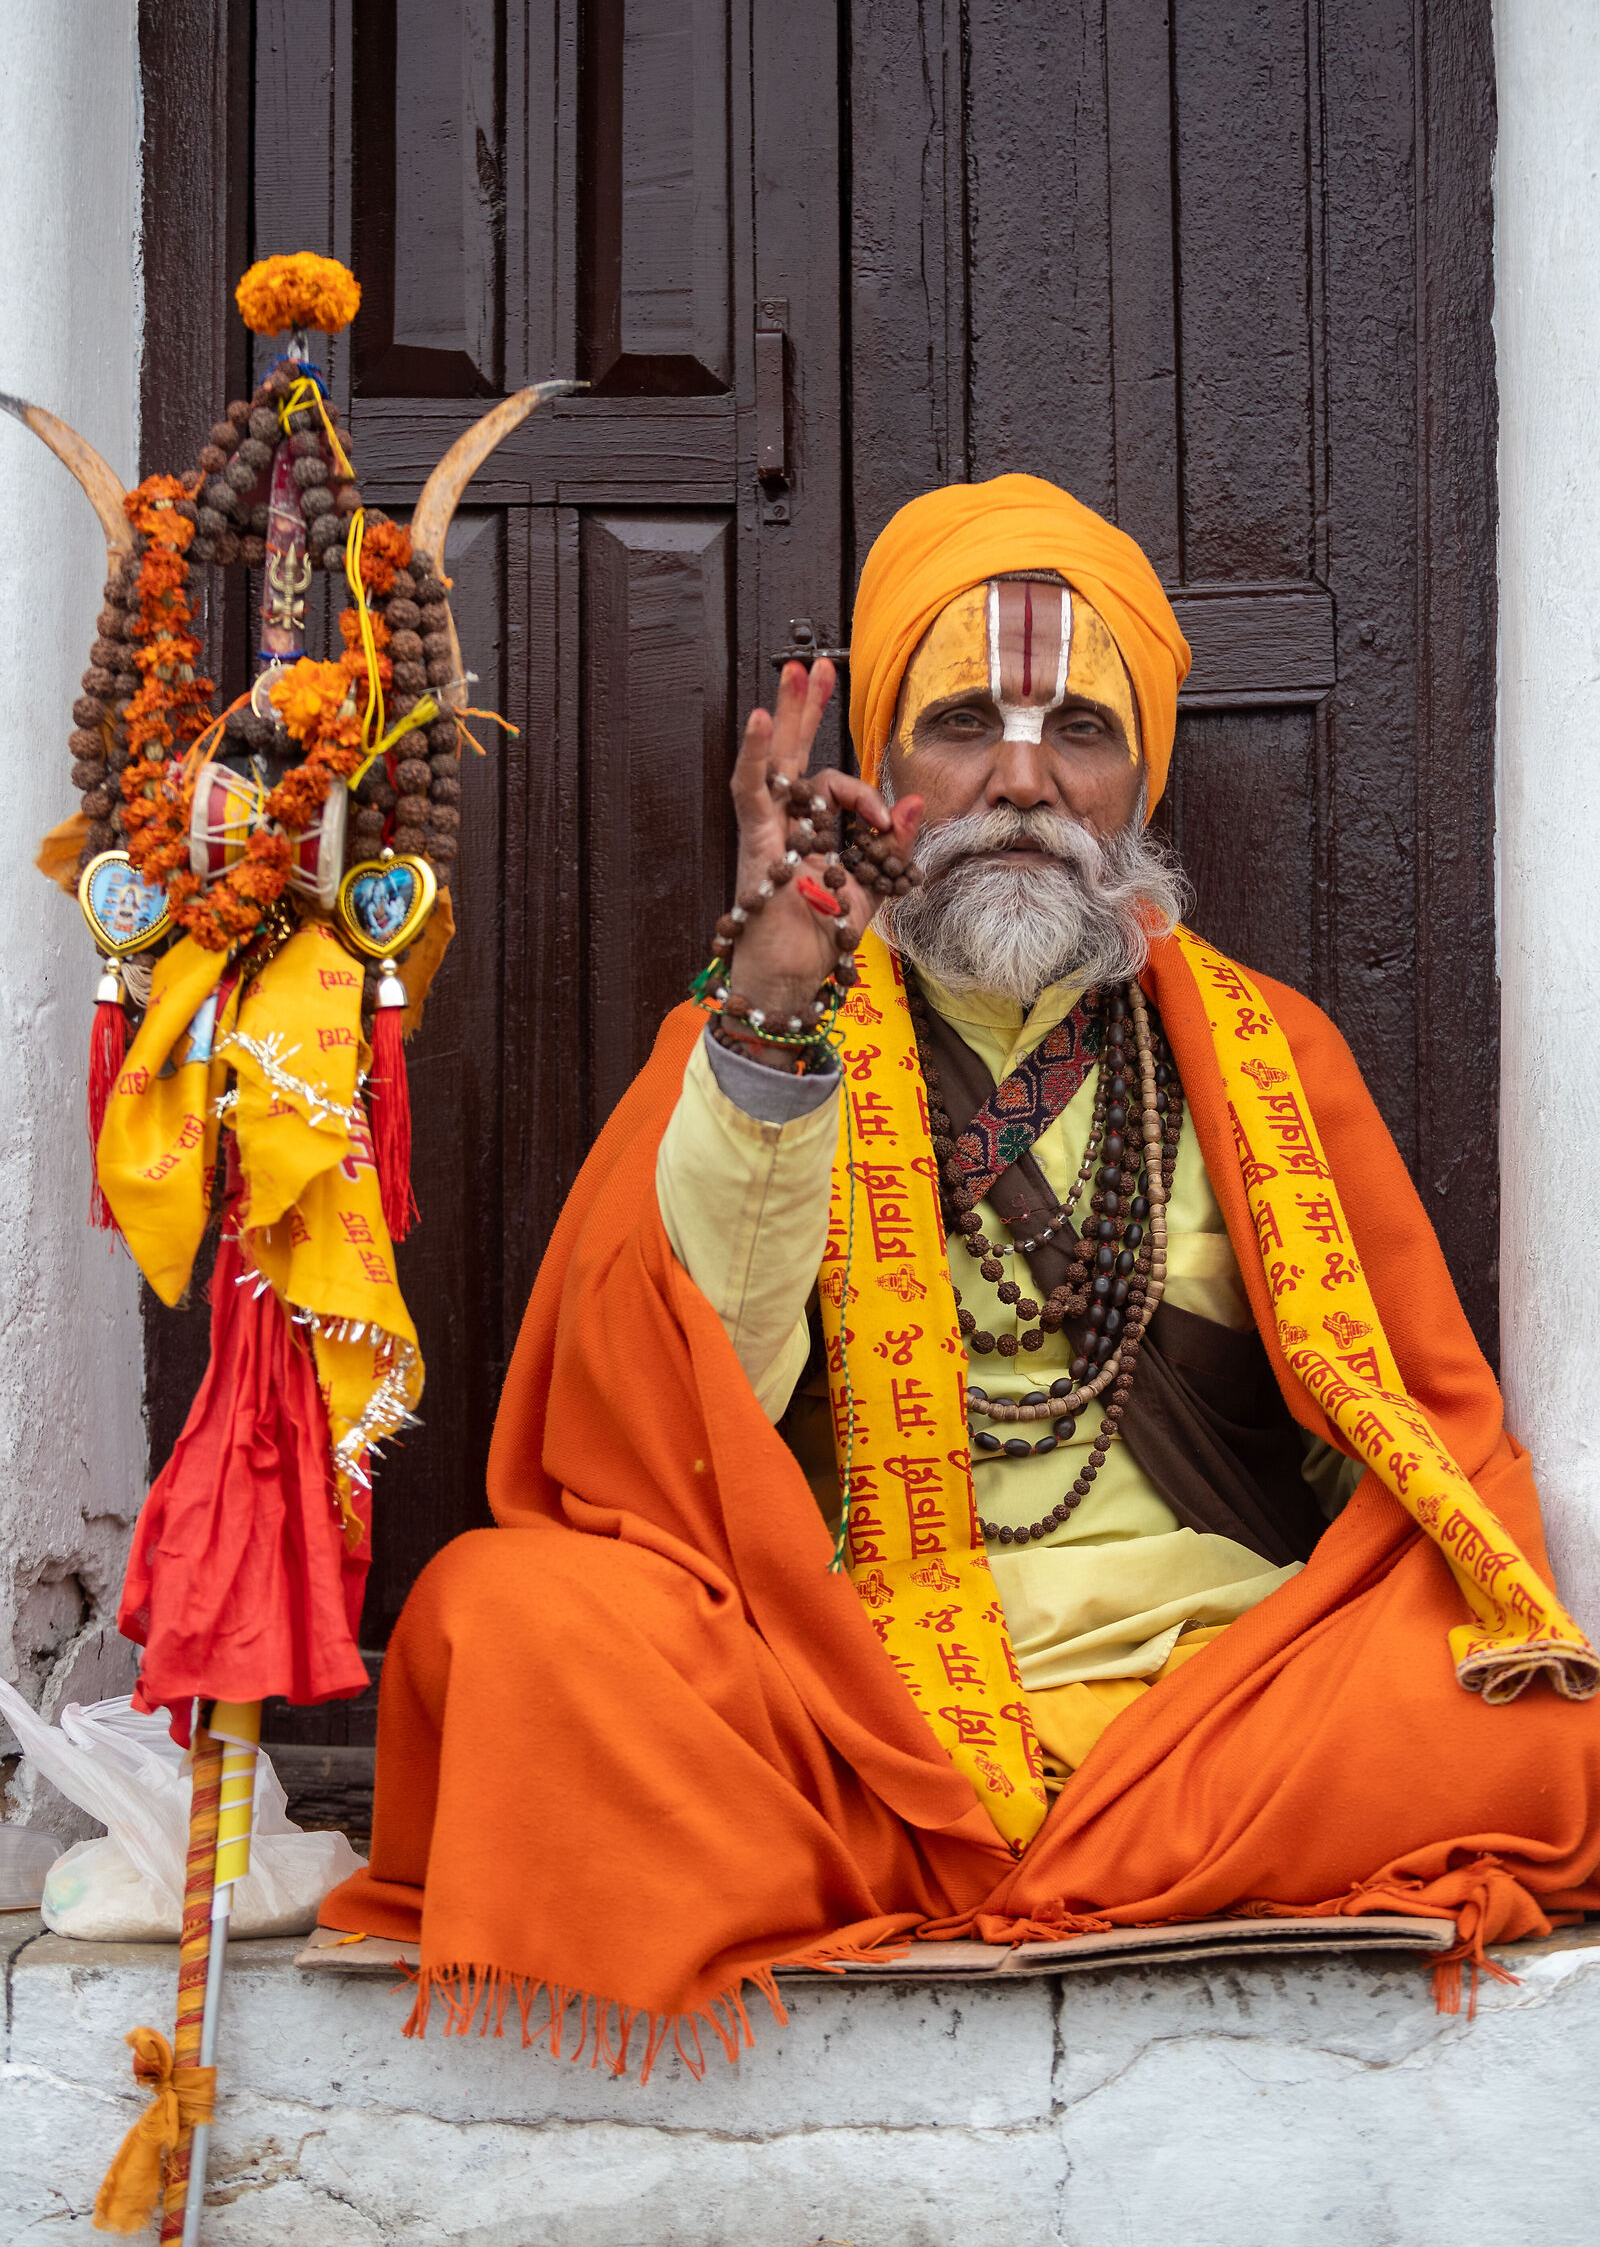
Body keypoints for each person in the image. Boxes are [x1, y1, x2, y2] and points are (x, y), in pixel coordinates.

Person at [323, 474, 1600, 2067]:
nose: (1020, 779)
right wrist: (777, 1015)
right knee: (504, 1619)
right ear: (886, 767)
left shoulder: (1268, 1053)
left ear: (1141, 779)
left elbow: (1419, 1446)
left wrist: (1388, 1635)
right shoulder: (744, 1040)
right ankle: (1070, 1867)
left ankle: (986, 1865)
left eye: (1077, 728)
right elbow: (679, 1406)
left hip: (1198, 1687)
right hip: (836, 1697)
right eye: (962, 728)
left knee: (1529, 1714)